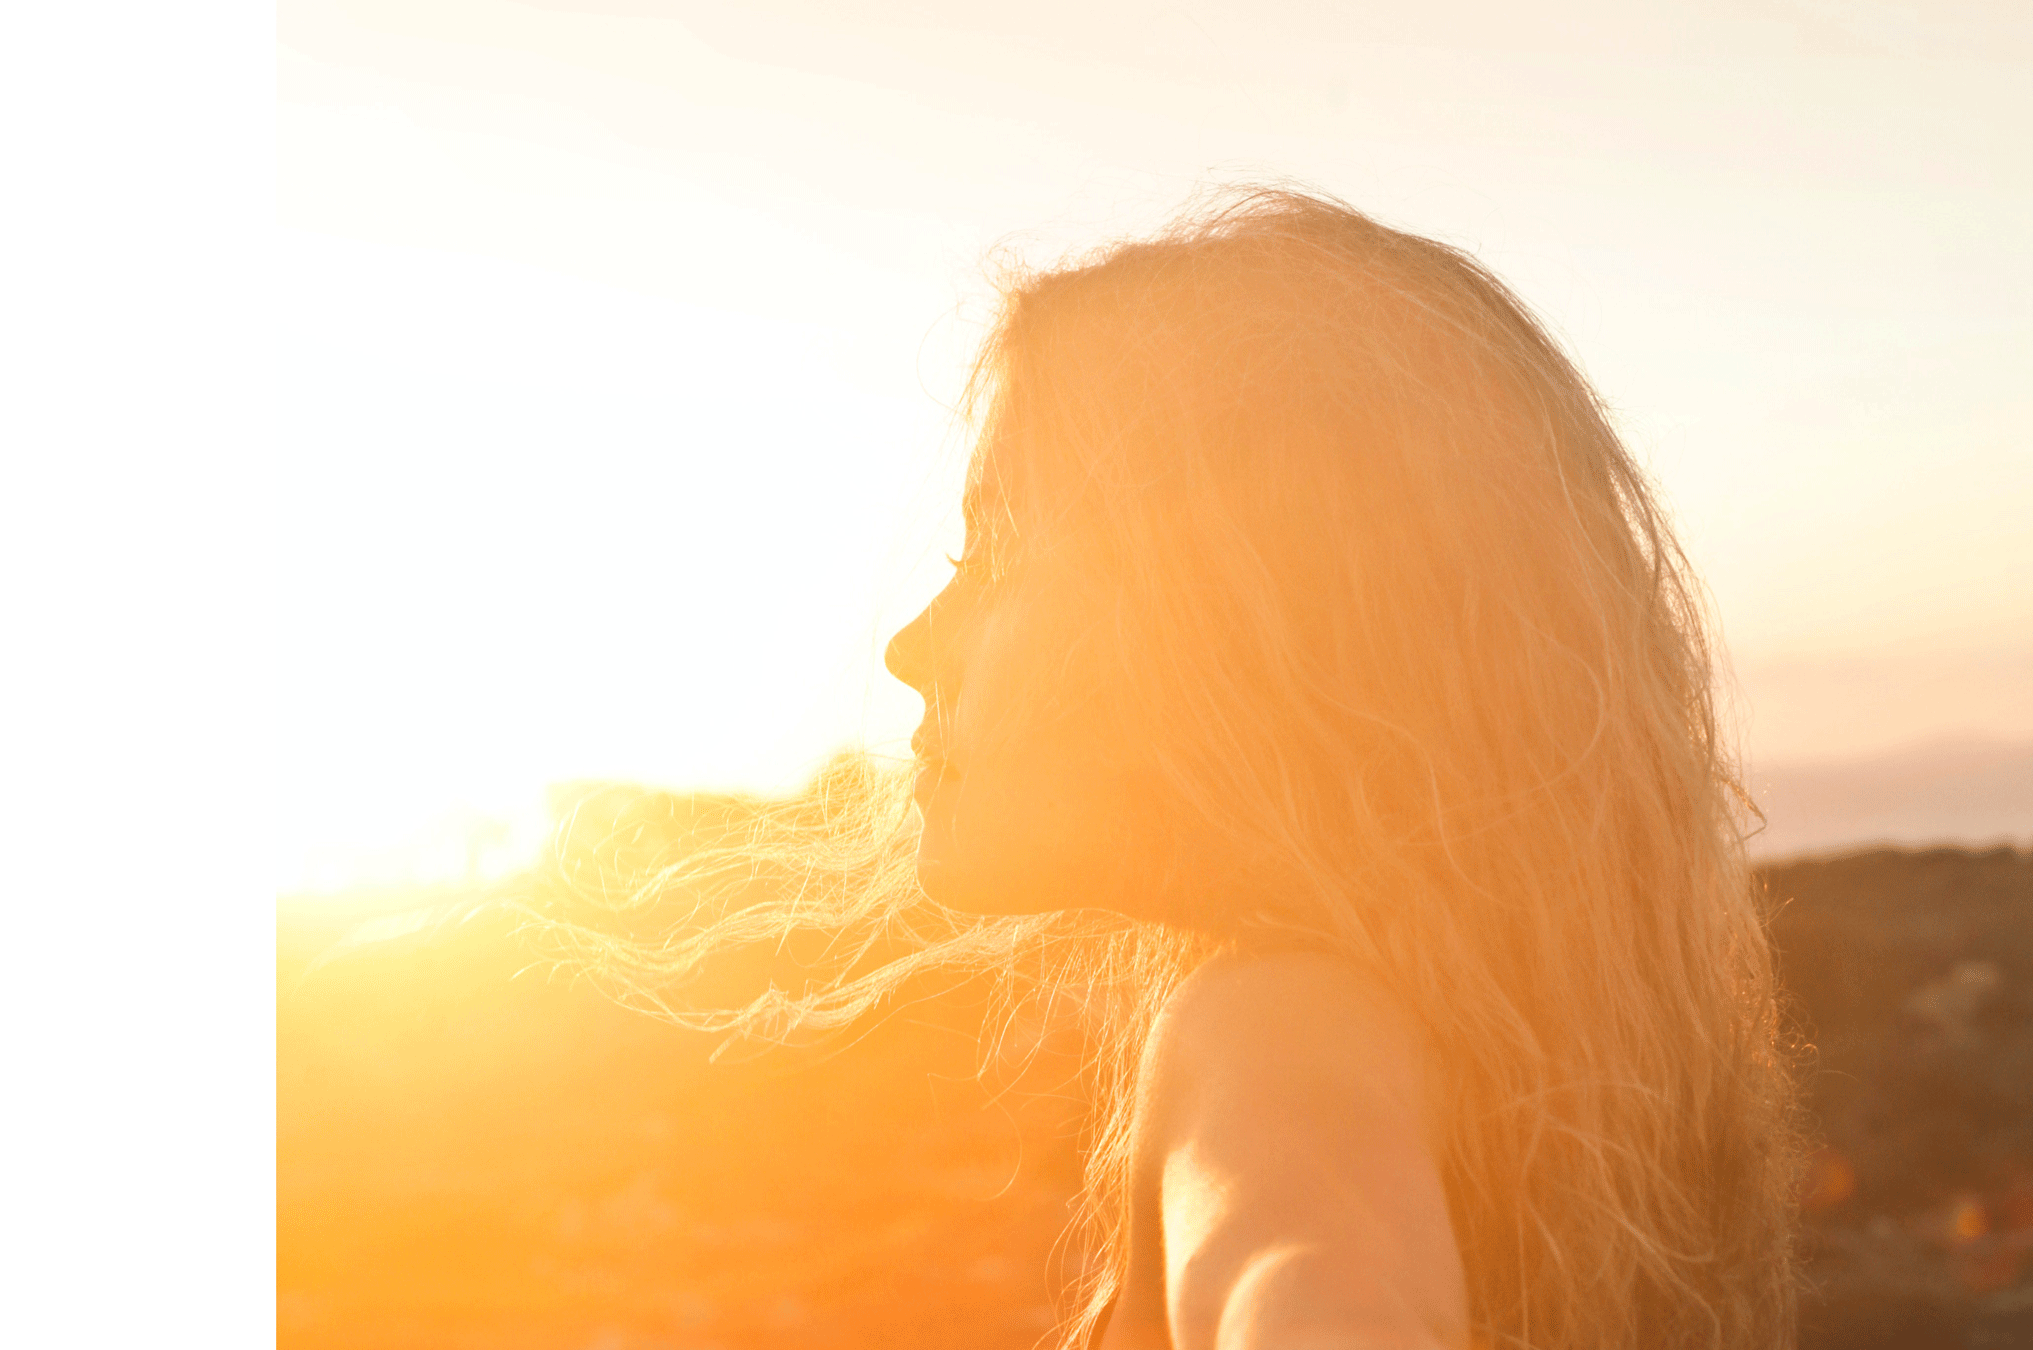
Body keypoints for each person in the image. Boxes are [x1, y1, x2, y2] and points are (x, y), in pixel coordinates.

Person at [551, 187, 1798, 1350]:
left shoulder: (1274, 1022)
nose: (911, 645)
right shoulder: (1532, 1077)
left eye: (998, 554)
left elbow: (1308, 1283)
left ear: (1236, 626)